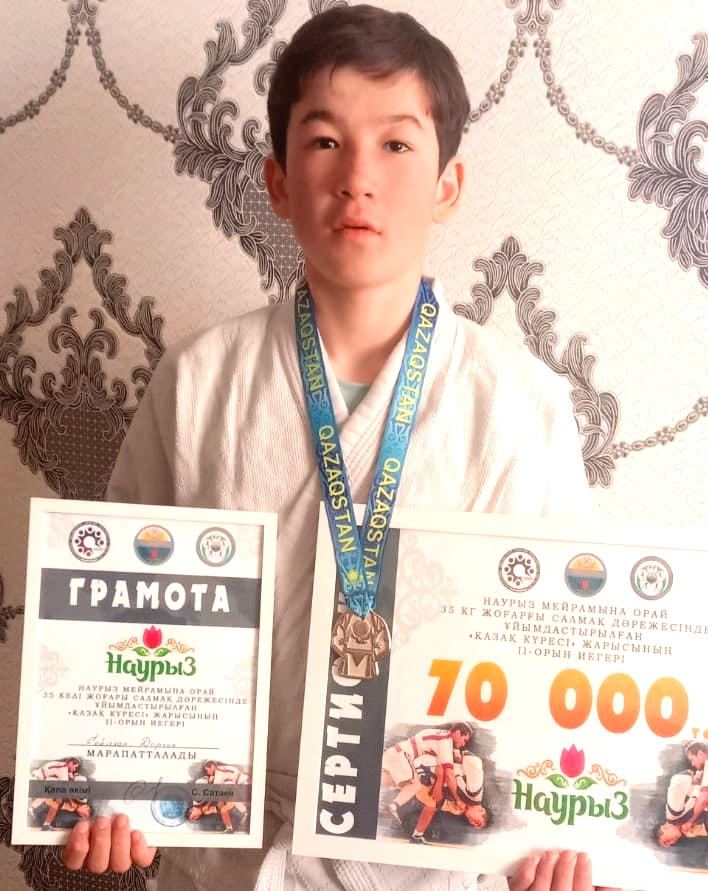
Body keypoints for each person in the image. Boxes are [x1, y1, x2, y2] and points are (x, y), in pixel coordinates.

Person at [62, 5, 621, 890]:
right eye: (324, 142)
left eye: (397, 144)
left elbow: (568, 656)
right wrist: (110, 783)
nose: (358, 177)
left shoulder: (521, 404)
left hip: (440, 861)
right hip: (235, 859)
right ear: (279, 182)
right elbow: (113, 624)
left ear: (447, 184)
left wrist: (562, 841)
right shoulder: (199, 380)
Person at [381, 722, 472, 825]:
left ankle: (390, 806)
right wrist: (457, 799)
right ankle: (393, 807)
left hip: (393, 754)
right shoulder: (446, 740)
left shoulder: (443, 736)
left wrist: (456, 754)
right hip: (401, 756)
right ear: (458, 733)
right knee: (415, 785)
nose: (464, 744)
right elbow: (449, 773)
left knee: (386, 783)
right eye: (464, 740)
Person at [188, 760, 251, 833]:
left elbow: (214, 790)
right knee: (224, 808)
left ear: (191, 810)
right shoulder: (204, 809)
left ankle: (244, 813)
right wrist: (211, 808)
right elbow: (218, 803)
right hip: (235, 788)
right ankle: (230, 827)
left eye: (193, 817)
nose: (196, 818)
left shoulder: (218, 773)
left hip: (243, 782)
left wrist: (208, 804)